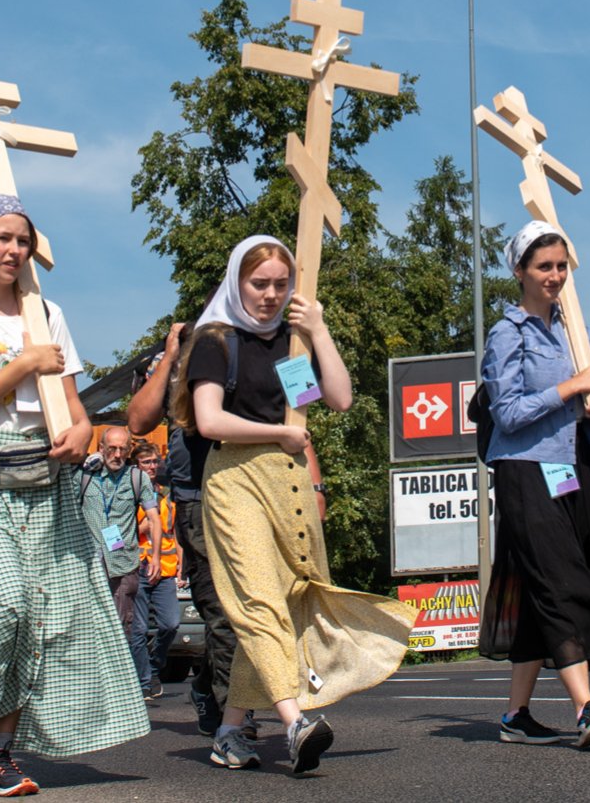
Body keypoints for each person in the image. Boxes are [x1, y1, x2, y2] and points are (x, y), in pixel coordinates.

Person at [0, 191, 148, 796]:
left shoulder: (47, 314)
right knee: (5, 598)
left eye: (22, 240)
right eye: (2, 238)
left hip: (45, 480)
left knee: (44, 615)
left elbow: (75, 409)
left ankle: (2, 751)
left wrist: (81, 432)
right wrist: (21, 366)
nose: (14, 250)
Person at [182, 235, 412, 774]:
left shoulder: (291, 345)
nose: (269, 294)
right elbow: (209, 420)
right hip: (233, 478)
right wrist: (276, 433)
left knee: (282, 603)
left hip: (286, 481)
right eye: (258, 283)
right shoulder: (215, 340)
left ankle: (231, 729)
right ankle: (295, 723)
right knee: (260, 600)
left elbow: (339, 398)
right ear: (237, 282)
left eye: (280, 285)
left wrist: (318, 330)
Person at [477, 221, 590, 749]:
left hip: (570, 470)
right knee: (558, 580)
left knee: (538, 583)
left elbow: (586, 401)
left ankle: (516, 715)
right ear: (519, 271)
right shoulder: (507, 333)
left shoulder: (571, 328)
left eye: (561, 266)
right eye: (544, 267)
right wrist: (570, 388)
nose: (555, 276)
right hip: (524, 471)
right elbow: (509, 414)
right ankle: (585, 707)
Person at [127, 322, 247, 739]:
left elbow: (300, 410)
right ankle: (236, 712)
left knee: (259, 609)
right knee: (223, 611)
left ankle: (209, 686)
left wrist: (315, 485)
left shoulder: (273, 345)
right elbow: (138, 420)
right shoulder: (179, 356)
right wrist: (170, 354)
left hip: (256, 493)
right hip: (199, 498)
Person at [78, 426, 160, 701]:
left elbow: (154, 516)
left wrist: (157, 556)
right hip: (86, 562)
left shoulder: (137, 478)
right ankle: (89, 685)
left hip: (122, 562)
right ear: (101, 448)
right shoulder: (84, 476)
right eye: (111, 448)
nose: (117, 454)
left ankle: (114, 687)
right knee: (86, 624)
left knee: (121, 623)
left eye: (122, 449)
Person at [134, 441, 182, 699]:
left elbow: (174, 531)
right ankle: (145, 681)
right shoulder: (126, 492)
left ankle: (152, 666)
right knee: (138, 630)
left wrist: (181, 565)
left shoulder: (167, 494)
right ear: (137, 465)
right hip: (137, 567)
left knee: (171, 624)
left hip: (165, 568)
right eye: (146, 462)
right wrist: (140, 528)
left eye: (154, 462)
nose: (152, 467)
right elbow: (112, 534)